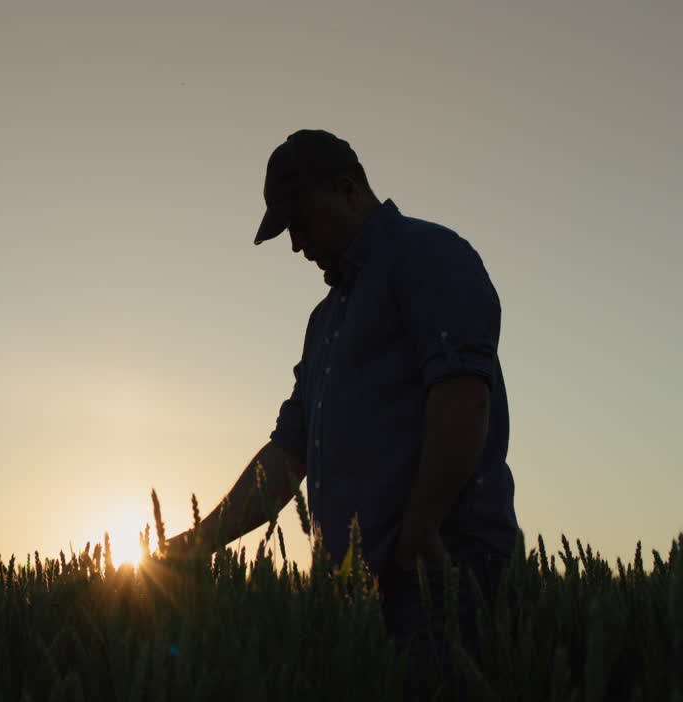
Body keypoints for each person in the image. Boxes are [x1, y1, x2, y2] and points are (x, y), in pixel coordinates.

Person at [163, 129, 520, 669]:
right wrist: (194, 543)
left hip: (441, 569)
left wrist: (420, 534)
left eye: (301, 222)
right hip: (353, 590)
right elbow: (287, 455)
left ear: (348, 190)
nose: (295, 244)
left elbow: (464, 397)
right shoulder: (325, 322)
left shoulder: (430, 256)